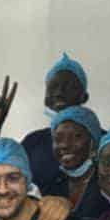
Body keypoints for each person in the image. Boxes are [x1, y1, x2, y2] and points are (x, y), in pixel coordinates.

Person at [22, 52, 91, 192]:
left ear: (84, 97)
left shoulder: (102, 141)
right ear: (45, 98)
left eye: (69, 86)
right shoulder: (33, 142)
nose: (59, 92)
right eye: (53, 87)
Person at [44, 105, 109, 220]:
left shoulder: (109, 186)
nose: (65, 145)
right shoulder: (51, 185)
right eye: (58, 138)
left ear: (93, 143)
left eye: (76, 136)